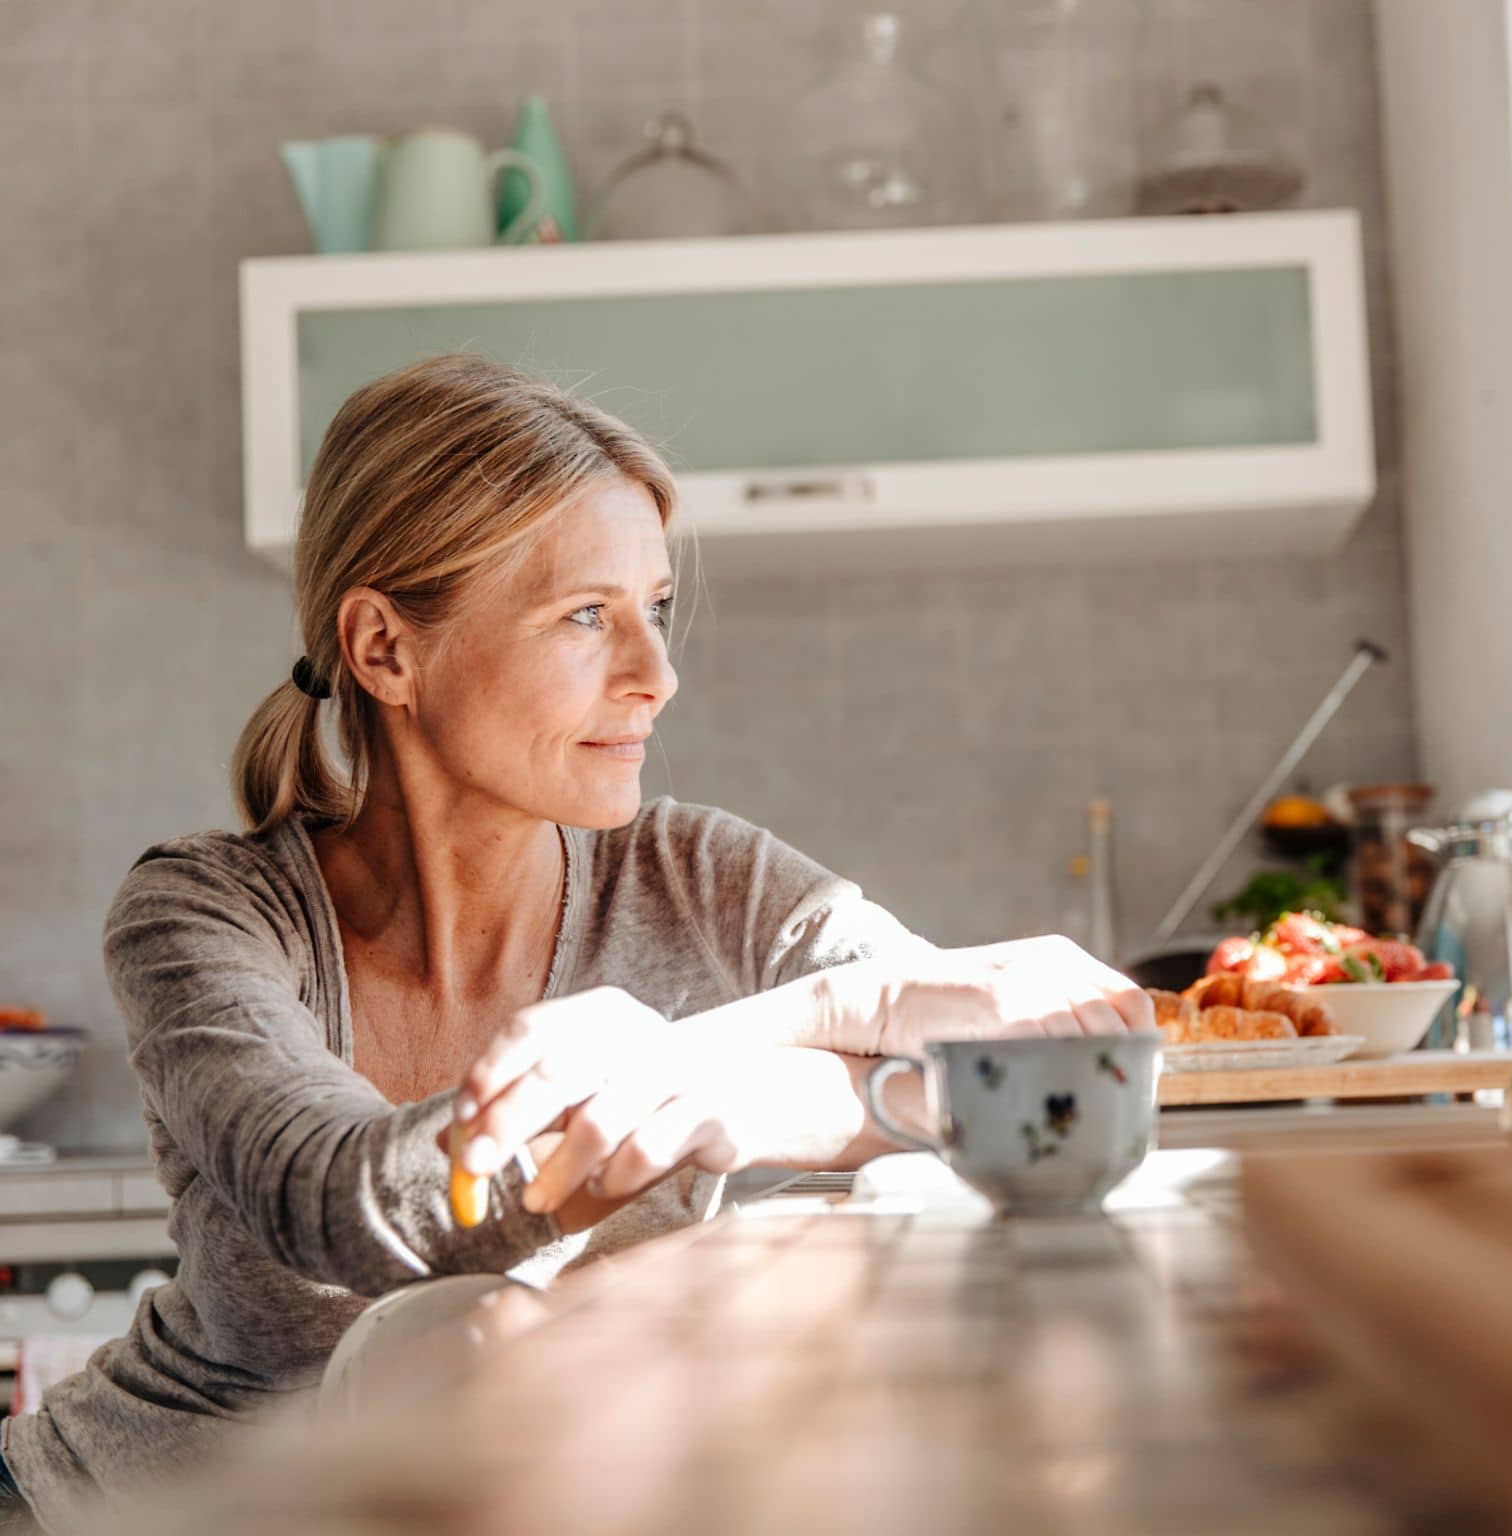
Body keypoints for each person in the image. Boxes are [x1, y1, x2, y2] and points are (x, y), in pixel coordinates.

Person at [0, 354, 1151, 1532]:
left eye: (652, 607)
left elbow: (1017, 1089)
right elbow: (349, 1205)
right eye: (584, 616)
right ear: (385, 649)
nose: (656, 675)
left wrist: (747, 1106)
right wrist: (801, 1024)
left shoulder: (704, 877)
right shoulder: (204, 914)